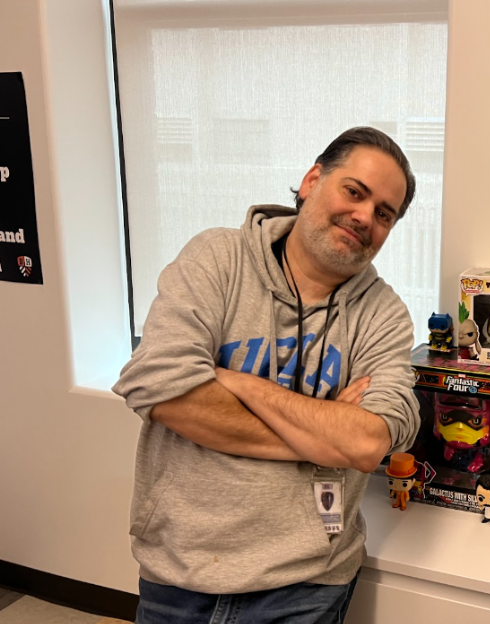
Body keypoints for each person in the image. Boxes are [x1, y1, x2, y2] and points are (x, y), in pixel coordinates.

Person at [112, 127, 421, 624]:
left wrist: (241, 384)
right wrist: (323, 433)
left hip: (307, 585)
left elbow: (368, 445)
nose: (365, 217)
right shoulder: (217, 259)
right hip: (179, 574)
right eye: (354, 191)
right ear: (311, 179)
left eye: (384, 214)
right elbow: (159, 389)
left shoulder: (384, 315)